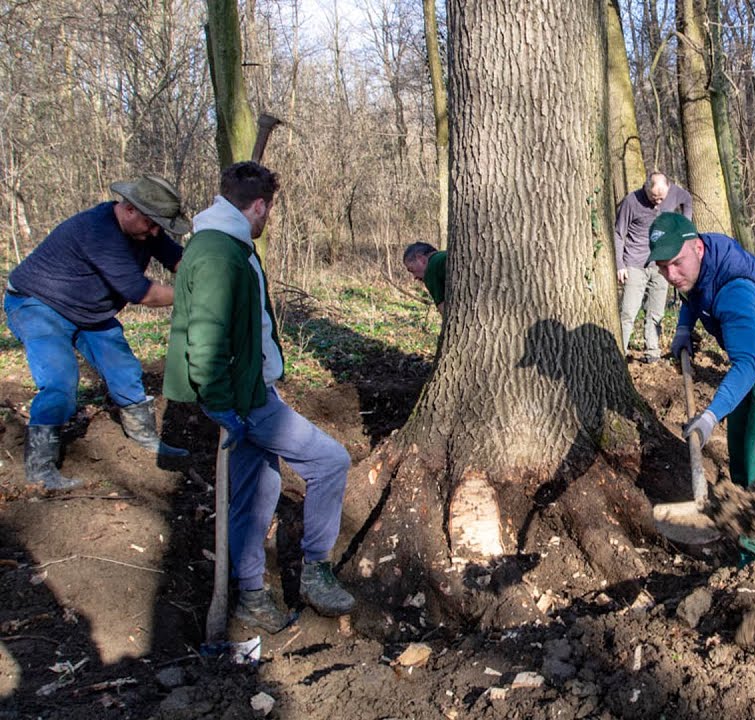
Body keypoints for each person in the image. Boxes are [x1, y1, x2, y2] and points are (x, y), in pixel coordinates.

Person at [164, 161, 356, 632]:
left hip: (246, 391)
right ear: (258, 206)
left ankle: (250, 594)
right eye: (268, 210)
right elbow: (205, 340)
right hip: (244, 399)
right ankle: (316, 571)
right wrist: (224, 404)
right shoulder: (217, 255)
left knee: (258, 491)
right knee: (330, 461)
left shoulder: (224, 243)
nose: (269, 218)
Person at [648, 212, 755, 562]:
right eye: (663, 268)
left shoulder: (734, 289)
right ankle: (744, 533)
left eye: (677, 264)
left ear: (697, 247)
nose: (671, 275)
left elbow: (746, 365)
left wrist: (710, 417)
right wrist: (684, 328)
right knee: (740, 452)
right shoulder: (697, 259)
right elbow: (690, 292)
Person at [5, 175, 191, 491]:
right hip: (38, 304)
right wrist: (196, 294)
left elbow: (180, 261)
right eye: (151, 223)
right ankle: (40, 470)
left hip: (90, 310)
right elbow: (141, 292)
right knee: (60, 381)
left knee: (125, 371)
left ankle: (145, 438)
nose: (156, 231)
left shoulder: (147, 230)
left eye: (160, 225)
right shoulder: (98, 231)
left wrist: (209, 273)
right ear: (129, 209)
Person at [614, 172, 693, 363]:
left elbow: (687, 199)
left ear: (668, 188)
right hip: (634, 263)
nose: (657, 202)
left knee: (656, 311)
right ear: (646, 188)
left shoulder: (674, 193)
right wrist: (620, 265)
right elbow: (618, 233)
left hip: (661, 263)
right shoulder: (631, 202)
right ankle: (620, 354)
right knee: (628, 312)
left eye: (661, 198)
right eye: (653, 197)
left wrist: (684, 225)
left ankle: (652, 352)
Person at [403, 241, 447, 316]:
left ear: (421, 259)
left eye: (412, 270)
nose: (415, 277)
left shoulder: (431, 269)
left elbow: (446, 313)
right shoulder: (443, 256)